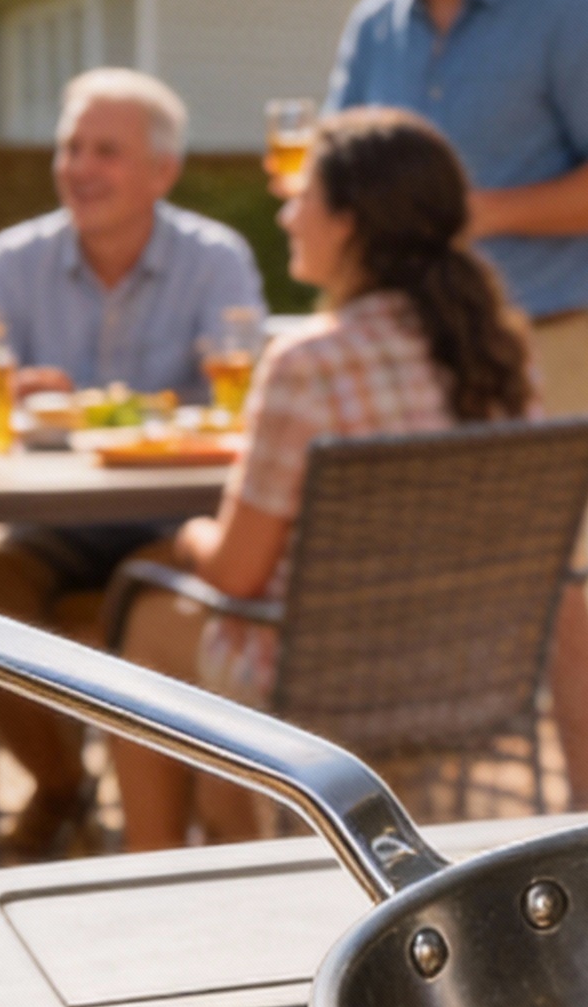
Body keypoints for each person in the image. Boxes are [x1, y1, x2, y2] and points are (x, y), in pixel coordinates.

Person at [322, 0, 588, 815]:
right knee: (396, 598)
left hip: (534, 350)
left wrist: (475, 211)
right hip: (394, 354)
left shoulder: (567, 13)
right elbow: (343, 177)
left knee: (553, 596)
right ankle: (408, 815)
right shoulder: (372, 25)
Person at [112, 109, 537, 852]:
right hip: (465, 671)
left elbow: (238, 573)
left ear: (347, 222)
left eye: (301, 195)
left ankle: (162, 874)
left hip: (326, 684)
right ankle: (238, 838)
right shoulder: (495, 355)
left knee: (144, 614)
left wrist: (185, 539)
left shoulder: (308, 363)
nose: (287, 212)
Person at [0, 67, 269, 858]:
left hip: (175, 522)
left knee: (141, 598)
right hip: (46, 521)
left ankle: (162, 824)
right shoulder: (10, 261)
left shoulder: (215, 258)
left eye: (106, 151)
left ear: (163, 171)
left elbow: (249, 401)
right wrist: (7, 391)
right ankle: (62, 790)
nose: (80, 168)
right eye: (71, 147)